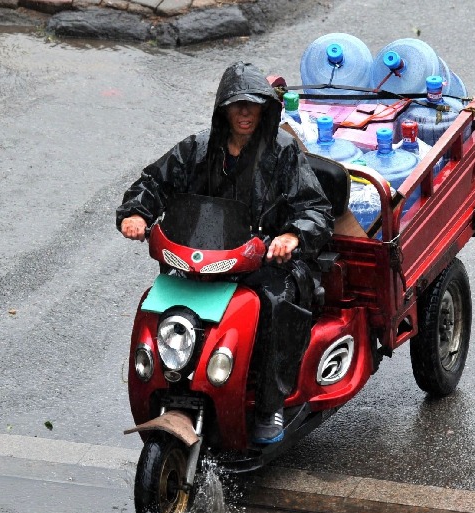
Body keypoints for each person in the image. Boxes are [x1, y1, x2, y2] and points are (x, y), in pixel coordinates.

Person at [116, 61, 333, 444]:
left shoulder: (283, 153)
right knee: (159, 302)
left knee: (274, 304)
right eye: (237, 105)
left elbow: (315, 209)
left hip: (268, 262)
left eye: (253, 105)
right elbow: (153, 182)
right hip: (206, 261)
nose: (245, 113)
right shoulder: (198, 148)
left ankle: (269, 406)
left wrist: (292, 237)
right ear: (224, 110)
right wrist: (136, 213)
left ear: (265, 108)